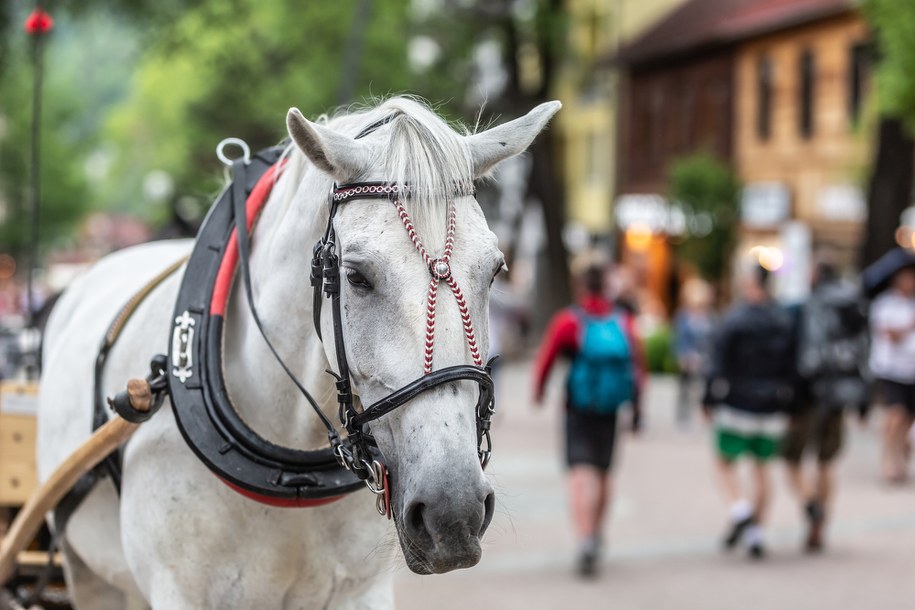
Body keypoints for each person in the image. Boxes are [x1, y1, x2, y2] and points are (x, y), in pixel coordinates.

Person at [532, 254, 645, 578]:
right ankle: (596, 533)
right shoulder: (623, 321)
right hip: (611, 409)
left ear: (581, 284)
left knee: (582, 475)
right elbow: (638, 366)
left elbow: (547, 358)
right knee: (605, 473)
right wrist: (638, 408)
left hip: (578, 408)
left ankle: (584, 539)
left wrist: (539, 391)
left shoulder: (570, 321)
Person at [703, 263, 798, 559]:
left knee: (723, 462)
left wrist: (708, 398)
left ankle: (740, 508)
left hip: (738, 403)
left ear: (750, 283)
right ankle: (755, 530)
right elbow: (794, 366)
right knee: (762, 468)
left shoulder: (736, 318)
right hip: (772, 405)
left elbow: (718, 362)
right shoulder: (784, 318)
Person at [784, 260, 869, 551]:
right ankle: (821, 526)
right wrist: (863, 399)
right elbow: (864, 349)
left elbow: (800, 353)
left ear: (815, 276)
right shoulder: (851, 303)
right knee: (826, 461)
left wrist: (792, 397)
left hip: (810, 393)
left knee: (792, 458)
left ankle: (809, 503)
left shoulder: (810, 305)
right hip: (841, 393)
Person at [868, 266, 915, 483]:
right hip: (892, 369)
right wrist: (909, 326)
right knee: (895, 415)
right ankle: (888, 459)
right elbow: (890, 334)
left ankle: (900, 459)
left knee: (907, 420)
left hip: (912, 369)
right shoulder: (885, 304)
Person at [673, 279, 715, 427]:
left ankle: (705, 411)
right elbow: (679, 338)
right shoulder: (683, 316)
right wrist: (684, 355)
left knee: (706, 387)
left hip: (705, 357)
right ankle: (683, 415)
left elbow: (713, 339)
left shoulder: (710, 317)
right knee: (685, 387)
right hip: (688, 357)